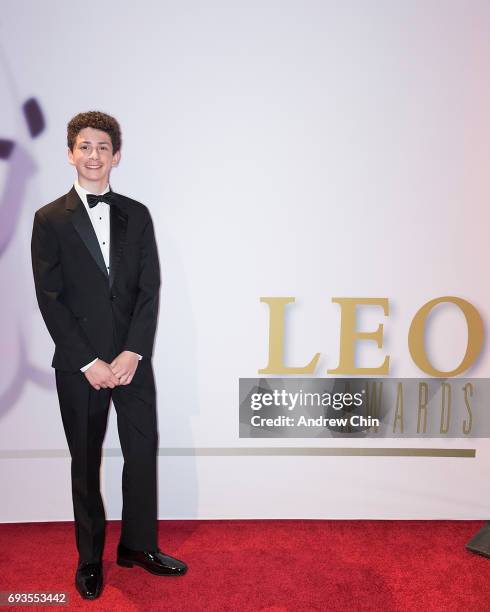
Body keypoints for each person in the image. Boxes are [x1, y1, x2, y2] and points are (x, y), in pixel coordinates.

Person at [30, 111, 187, 600]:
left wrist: (133, 351)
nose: (94, 154)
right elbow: (49, 297)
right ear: (70, 154)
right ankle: (90, 558)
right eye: (84, 146)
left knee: (141, 452)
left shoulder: (136, 214)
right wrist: (88, 362)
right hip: (80, 367)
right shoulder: (49, 219)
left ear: (115, 155)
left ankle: (138, 546)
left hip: (130, 361)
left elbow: (149, 288)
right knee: (85, 460)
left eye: (103, 146)